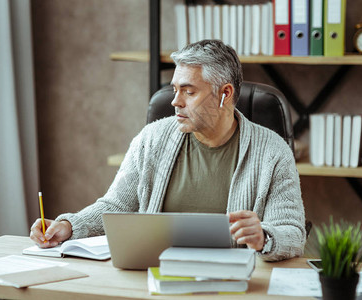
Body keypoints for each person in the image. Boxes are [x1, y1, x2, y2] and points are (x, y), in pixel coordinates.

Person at [30, 40, 306, 261]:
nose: (175, 101)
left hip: (235, 282)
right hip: (157, 275)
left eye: (188, 91)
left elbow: (293, 232)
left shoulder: (272, 152)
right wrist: (69, 225)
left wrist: (264, 237)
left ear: (225, 93)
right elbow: (116, 206)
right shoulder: (152, 139)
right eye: (174, 89)